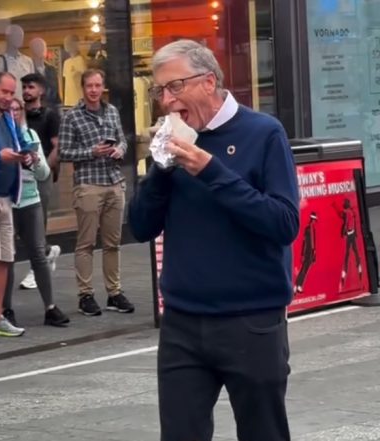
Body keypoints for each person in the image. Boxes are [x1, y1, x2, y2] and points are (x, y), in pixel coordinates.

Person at [128, 40, 299, 441]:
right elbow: (139, 227)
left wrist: (211, 171)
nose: (166, 101)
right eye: (159, 92)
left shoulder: (264, 133)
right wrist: (159, 170)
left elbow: (283, 223)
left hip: (251, 320)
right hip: (182, 323)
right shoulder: (174, 140)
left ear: (209, 82)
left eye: (175, 88)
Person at [58, 68, 135, 317]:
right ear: (83, 88)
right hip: (89, 184)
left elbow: (122, 139)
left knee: (113, 243)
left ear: (103, 88)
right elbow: (64, 153)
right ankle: (86, 295)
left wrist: (120, 149)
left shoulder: (111, 111)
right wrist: (92, 151)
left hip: (113, 181)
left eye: (98, 85)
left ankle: (114, 293)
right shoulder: (71, 117)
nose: (94, 90)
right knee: (86, 243)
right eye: (90, 86)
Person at [1, 98, 69, 328]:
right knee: (7, 258)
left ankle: (50, 307)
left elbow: (43, 174)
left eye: (17, 109)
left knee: (38, 254)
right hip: (8, 202)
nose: (13, 113)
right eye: (9, 109)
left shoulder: (30, 135)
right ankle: (5, 309)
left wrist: (37, 160)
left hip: (31, 201)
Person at [0, 72, 28, 340]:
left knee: (4, 259)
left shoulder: (7, 118)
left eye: (12, 93)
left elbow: (17, 145)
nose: (9, 98)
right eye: (5, 92)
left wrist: (27, 154)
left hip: (6, 197)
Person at [19, 72, 62, 290]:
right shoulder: (19, 115)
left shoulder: (50, 116)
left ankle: (37, 268)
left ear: (41, 91)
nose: (27, 91)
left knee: (38, 224)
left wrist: (45, 170)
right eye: (24, 87)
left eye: (31, 87)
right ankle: (46, 252)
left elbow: (57, 146)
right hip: (21, 176)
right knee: (25, 227)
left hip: (41, 175)